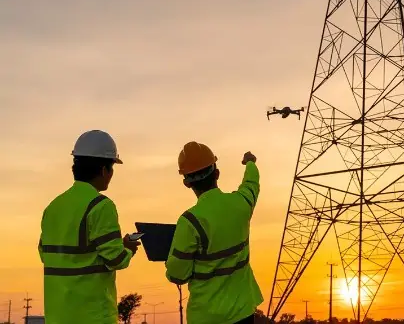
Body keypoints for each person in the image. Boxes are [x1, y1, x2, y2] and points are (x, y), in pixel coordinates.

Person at [38, 130, 141, 324]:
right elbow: (116, 259)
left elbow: (48, 255)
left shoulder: (53, 207)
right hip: (92, 315)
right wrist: (127, 248)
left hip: (57, 316)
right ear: (104, 170)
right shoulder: (100, 206)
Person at [165, 141, 263, 324]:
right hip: (243, 312)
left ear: (186, 183)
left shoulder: (190, 221)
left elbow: (178, 275)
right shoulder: (241, 204)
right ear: (217, 173)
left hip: (205, 316)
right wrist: (250, 163)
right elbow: (251, 184)